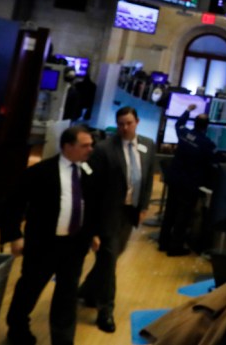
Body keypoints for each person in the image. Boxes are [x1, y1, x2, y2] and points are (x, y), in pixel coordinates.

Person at [1, 126, 99, 345]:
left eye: (91, 144)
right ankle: (17, 329)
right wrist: (15, 235)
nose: (90, 149)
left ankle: (62, 339)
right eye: (85, 145)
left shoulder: (88, 172)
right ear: (67, 146)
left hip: (74, 247)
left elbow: (91, 205)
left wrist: (92, 233)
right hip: (43, 245)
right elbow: (14, 204)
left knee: (67, 295)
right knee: (29, 290)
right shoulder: (41, 171)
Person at [78, 106, 157, 333]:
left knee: (110, 258)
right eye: (121, 123)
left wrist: (143, 206)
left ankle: (86, 291)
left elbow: (148, 177)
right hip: (108, 214)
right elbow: (92, 189)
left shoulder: (148, 145)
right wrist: (90, 224)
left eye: (129, 123)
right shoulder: (104, 149)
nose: (124, 128)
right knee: (109, 261)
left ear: (137, 122)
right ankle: (106, 311)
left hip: (130, 213)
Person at [158, 103, 217, 256]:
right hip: (189, 184)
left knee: (170, 211)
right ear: (206, 127)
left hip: (175, 178)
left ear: (195, 123)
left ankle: (163, 243)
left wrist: (187, 111)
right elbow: (211, 164)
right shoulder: (207, 144)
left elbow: (178, 123)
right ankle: (175, 247)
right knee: (182, 215)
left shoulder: (184, 134)